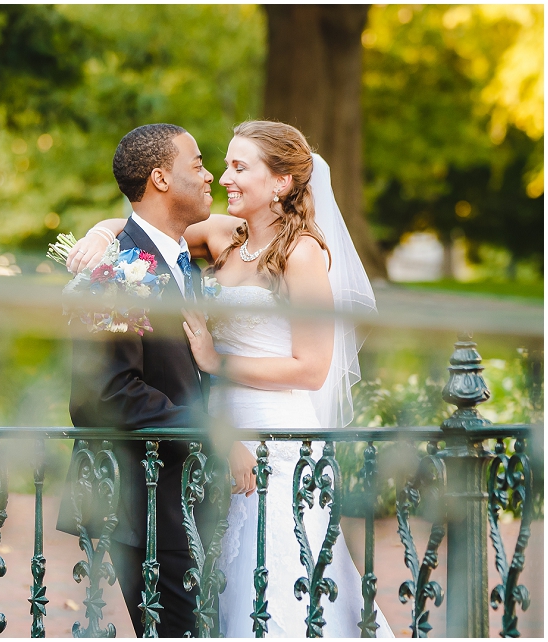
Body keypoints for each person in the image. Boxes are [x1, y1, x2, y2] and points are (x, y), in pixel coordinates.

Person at [67, 120, 391, 637]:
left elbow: (312, 368)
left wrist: (217, 362)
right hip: (209, 440)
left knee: (278, 585)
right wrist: (98, 235)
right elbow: (141, 227)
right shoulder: (223, 238)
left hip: (272, 432)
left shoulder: (302, 252)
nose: (222, 177)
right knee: (221, 596)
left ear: (282, 182)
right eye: (217, 165)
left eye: (239, 167)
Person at [54, 123, 257, 638]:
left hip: (186, 499)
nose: (209, 174)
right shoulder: (115, 271)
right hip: (143, 504)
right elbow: (106, 394)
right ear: (161, 179)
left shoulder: (180, 263)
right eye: (197, 164)